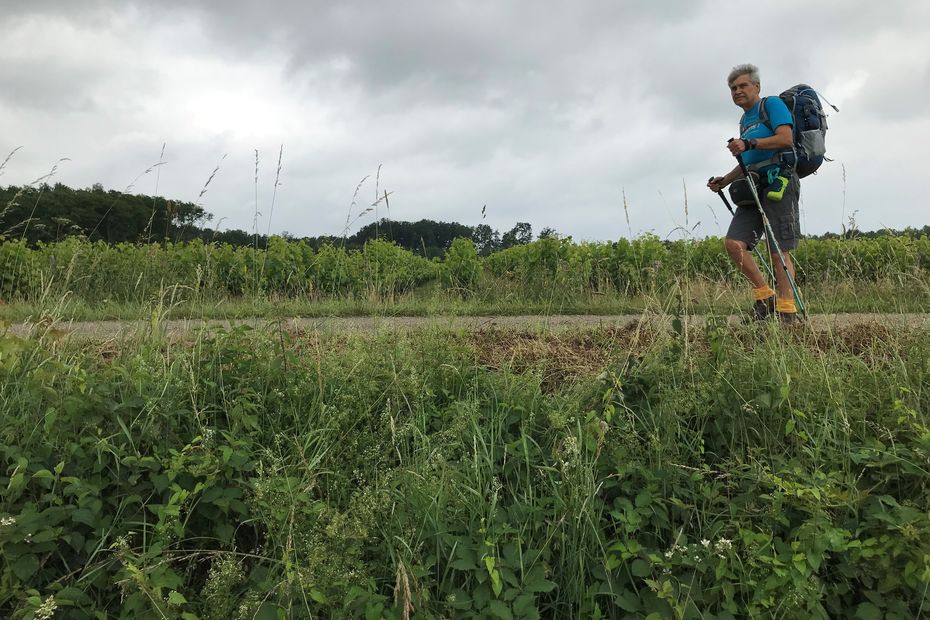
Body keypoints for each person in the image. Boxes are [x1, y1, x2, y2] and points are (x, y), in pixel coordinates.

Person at [707, 63, 801, 323]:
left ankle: (787, 311)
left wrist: (749, 142)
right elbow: (748, 158)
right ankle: (764, 296)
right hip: (752, 185)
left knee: (778, 250)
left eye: (743, 86)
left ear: (756, 87)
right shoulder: (744, 120)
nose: (737, 91)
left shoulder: (771, 105)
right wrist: (724, 181)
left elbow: (785, 139)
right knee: (733, 244)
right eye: (733, 88)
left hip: (778, 182)